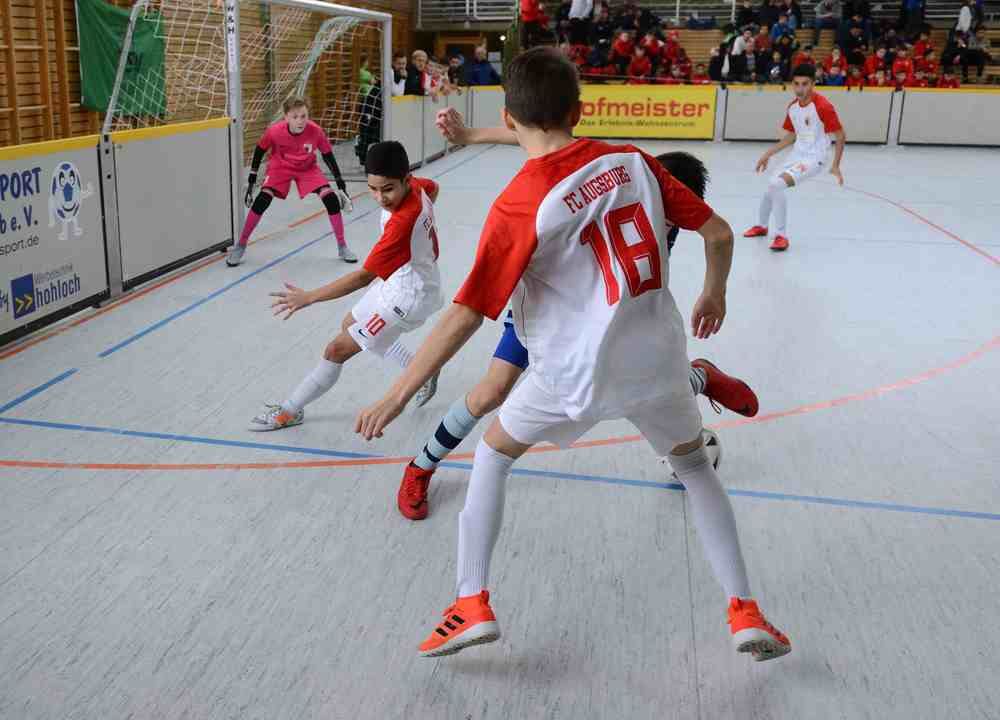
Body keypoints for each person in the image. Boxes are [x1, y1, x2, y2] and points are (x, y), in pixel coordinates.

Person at [356, 47, 791, 663]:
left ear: (508, 118)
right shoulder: (633, 159)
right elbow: (719, 233)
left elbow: (467, 313)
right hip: (660, 361)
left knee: (494, 453)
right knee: (696, 471)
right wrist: (713, 293)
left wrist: (398, 392)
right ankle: (745, 610)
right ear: (581, 110)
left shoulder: (515, 206)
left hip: (571, 376)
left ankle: (470, 600)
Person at [405, 107, 760, 525]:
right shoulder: (622, 175)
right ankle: (420, 467)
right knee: (490, 393)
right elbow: (534, 133)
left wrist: (713, 292)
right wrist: (469, 135)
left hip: (596, 317)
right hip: (542, 309)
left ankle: (694, 382)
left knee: (644, 380)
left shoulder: (676, 213)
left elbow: (717, 237)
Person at [249, 142, 442, 431]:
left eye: (387, 189)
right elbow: (434, 188)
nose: (380, 197)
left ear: (405, 179)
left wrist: (310, 297)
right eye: (373, 188)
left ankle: (289, 411)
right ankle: (422, 372)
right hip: (400, 280)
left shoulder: (402, 223)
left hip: (406, 298)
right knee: (350, 323)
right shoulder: (419, 185)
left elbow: (362, 276)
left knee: (336, 350)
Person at [227, 97, 355, 268]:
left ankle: (342, 246)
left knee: (331, 199)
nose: (300, 121)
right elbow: (259, 150)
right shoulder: (274, 131)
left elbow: (328, 156)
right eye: (295, 117)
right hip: (280, 167)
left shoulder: (315, 131)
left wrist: (340, 182)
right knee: (262, 200)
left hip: (307, 168)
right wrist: (251, 179)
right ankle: (241, 245)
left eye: (304, 116)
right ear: (286, 117)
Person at [743, 64, 846, 252]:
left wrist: (836, 165)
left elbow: (840, 135)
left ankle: (781, 236)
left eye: (805, 84)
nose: (800, 89)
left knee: (776, 185)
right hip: (797, 154)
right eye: (796, 84)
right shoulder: (793, 107)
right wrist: (768, 154)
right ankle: (761, 226)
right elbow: (791, 135)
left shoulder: (823, 106)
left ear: (813, 84)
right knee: (771, 188)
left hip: (816, 158)